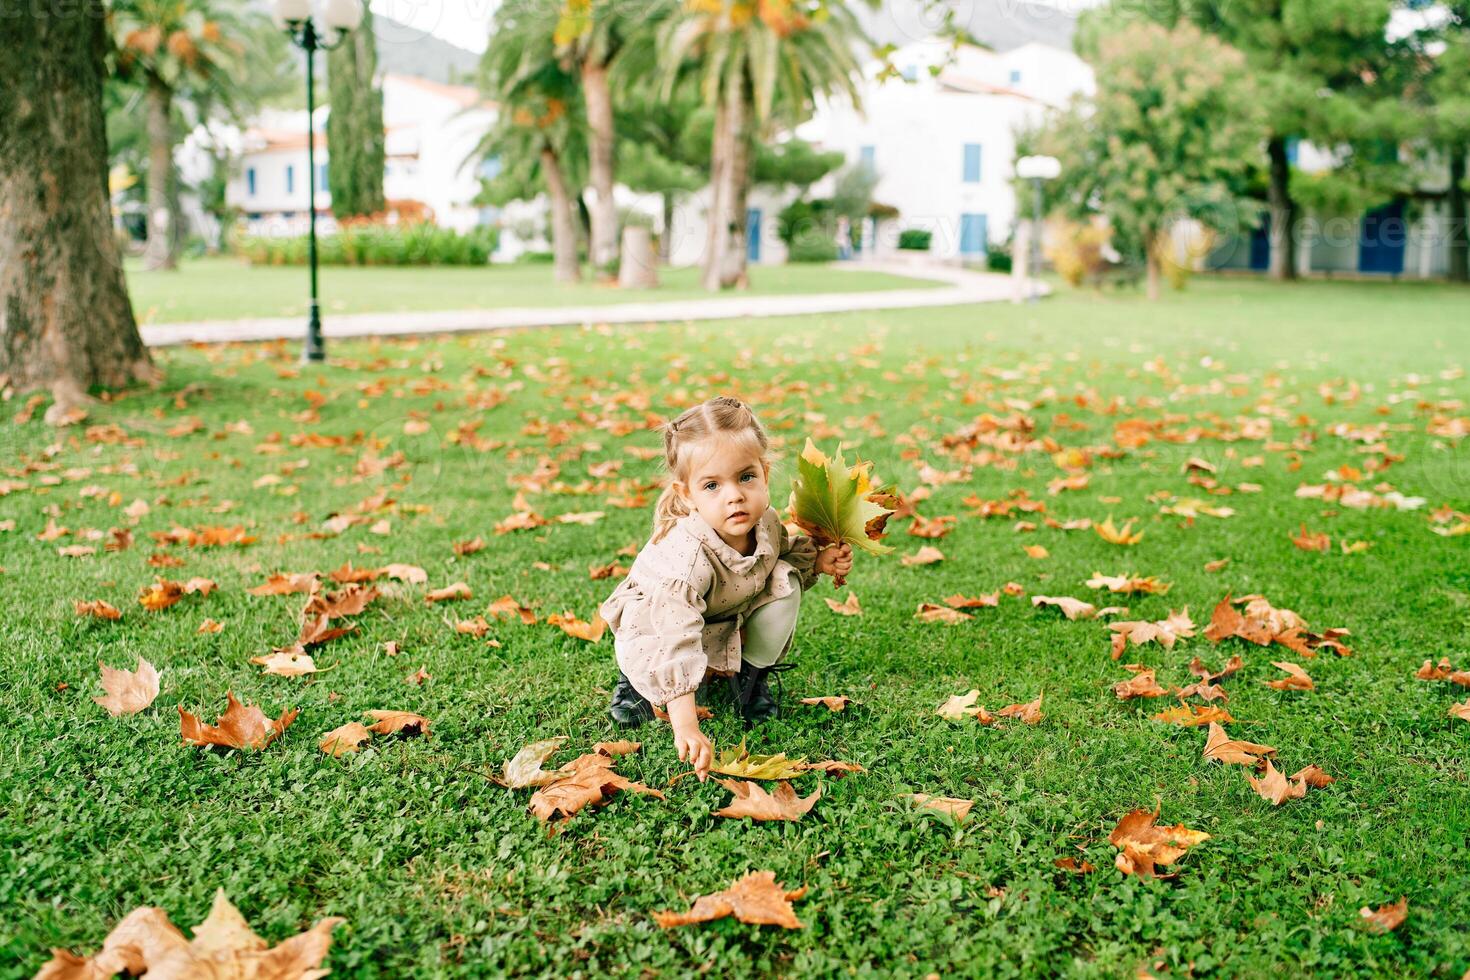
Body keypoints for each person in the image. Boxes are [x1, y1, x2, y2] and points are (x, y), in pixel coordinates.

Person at [597, 396, 853, 781]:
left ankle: (748, 682)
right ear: (688, 495)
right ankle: (634, 685)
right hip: (659, 624)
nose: (734, 495)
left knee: (786, 580)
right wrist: (684, 725)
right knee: (654, 649)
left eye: (746, 477)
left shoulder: (764, 521)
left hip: (722, 611)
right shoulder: (685, 560)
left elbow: (777, 555)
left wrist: (818, 560)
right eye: (712, 485)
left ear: (764, 473)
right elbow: (677, 636)